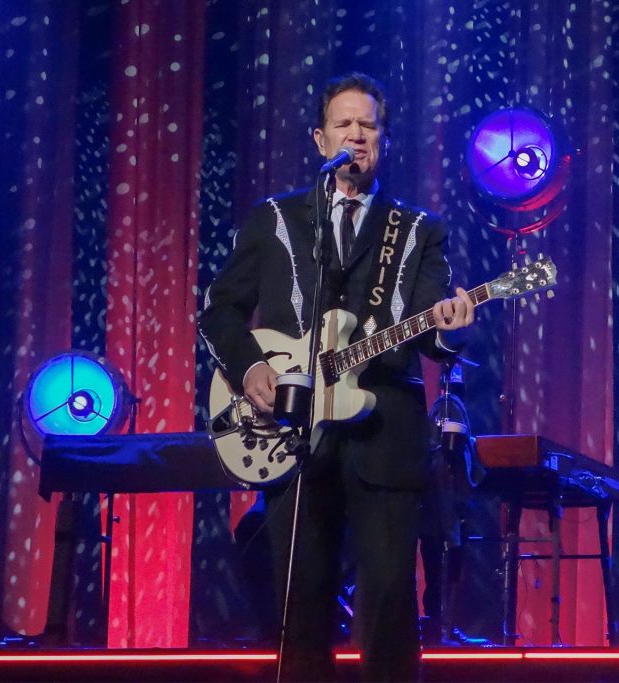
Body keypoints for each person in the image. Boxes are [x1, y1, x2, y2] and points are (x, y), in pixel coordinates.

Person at [199, 72, 475, 682]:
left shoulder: (418, 229)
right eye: (343, 124)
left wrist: (451, 330)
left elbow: (430, 332)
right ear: (320, 140)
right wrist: (250, 368)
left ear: (384, 140)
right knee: (300, 608)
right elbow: (219, 311)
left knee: (390, 604)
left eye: (367, 125)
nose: (355, 135)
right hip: (294, 434)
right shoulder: (274, 219)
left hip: (386, 437)